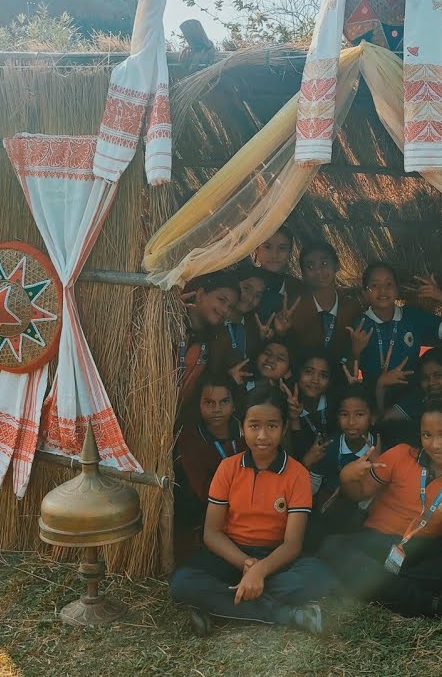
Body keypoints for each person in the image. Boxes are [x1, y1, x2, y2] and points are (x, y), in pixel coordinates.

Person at [168, 385, 330, 637]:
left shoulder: (297, 474)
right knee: (181, 582)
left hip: (276, 558)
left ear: (284, 428)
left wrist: (260, 571)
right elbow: (212, 533)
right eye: (254, 425)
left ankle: (218, 606)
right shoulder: (228, 468)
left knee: (317, 577)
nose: (262, 435)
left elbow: (292, 544)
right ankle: (287, 615)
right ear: (242, 428)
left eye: (272, 426)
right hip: (231, 554)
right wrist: (246, 564)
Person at [318, 394, 442, 621]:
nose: (435, 444)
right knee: (332, 545)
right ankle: (431, 605)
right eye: (427, 435)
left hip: (420, 553)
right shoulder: (401, 454)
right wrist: (346, 477)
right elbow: (359, 493)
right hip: (375, 540)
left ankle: (370, 583)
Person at [348, 262, 442, 383]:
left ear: (397, 290)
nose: (383, 290)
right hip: (372, 391)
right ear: (365, 293)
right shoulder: (359, 324)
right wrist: (355, 351)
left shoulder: (412, 316)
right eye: (374, 285)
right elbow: (349, 375)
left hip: (412, 391)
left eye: (389, 284)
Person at [304, 383, 380, 547]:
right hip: (328, 511)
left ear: (373, 417)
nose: (351, 422)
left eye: (359, 414)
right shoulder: (329, 446)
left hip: (363, 516)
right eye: (344, 414)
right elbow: (311, 487)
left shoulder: (380, 452)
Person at [174, 373, 244, 543]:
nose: (217, 409)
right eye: (209, 402)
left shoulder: (246, 431)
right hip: (206, 519)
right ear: (199, 404)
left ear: (234, 404)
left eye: (224, 401)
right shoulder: (190, 438)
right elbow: (204, 490)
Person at [280, 241, 363, 366]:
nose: (318, 271)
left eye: (324, 263)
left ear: (337, 265)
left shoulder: (352, 305)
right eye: (310, 267)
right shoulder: (294, 309)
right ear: (303, 274)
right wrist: (280, 332)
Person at [179, 272, 241, 408]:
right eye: (222, 300)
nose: (225, 310)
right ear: (200, 295)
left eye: (230, 307)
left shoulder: (217, 341)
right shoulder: (167, 325)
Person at [285, 347, 335, 460]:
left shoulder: (336, 406)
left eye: (323, 375)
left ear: (330, 381)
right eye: (308, 372)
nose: (315, 380)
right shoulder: (288, 406)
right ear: (298, 373)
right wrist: (294, 419)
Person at [252, 226, 305, 325]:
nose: (274, 255)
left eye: (282, 248)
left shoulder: (298, 289)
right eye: (267, 247)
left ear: (289, 252)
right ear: (256, 249)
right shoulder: (244, 282)